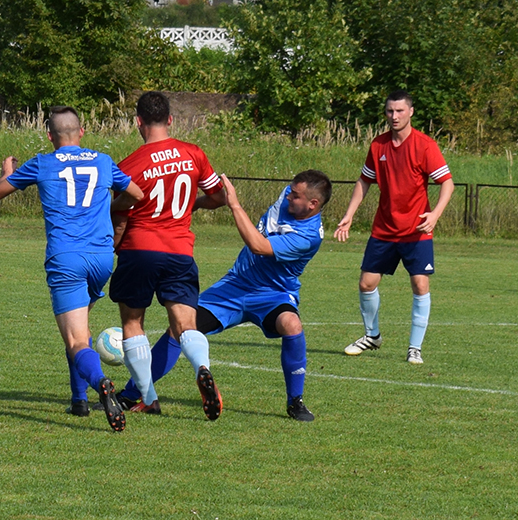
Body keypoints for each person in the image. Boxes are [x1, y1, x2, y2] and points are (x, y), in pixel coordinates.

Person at [116, 171, 331, 422]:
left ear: (312, 204)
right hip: (234, 286)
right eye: (291, 191)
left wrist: (235, 205)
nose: (288, 197)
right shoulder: (290, 195)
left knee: (291, 324)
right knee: (178, 329)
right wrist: (196, 202)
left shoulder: (309, 236)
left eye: (296, 196)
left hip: (273, 294)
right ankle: (131, 394)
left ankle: (295, 401)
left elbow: (258, 246)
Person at [0, 106, 143, 432]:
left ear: (49, 136)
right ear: (81, 132)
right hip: (101, 258)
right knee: (80, 329)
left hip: (67, 258)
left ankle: (100, 384)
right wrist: (108, 211)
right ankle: (78, 400)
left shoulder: (42, 163)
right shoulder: (102, 160)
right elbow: (136, 194)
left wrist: (6, 171)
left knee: (76, 340)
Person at [107, 91, 227, 419]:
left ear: (138, 122)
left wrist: (114, 247)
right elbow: (219, 197)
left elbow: (121, 217)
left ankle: (148, 397)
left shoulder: (129, 165)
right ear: (171, 119)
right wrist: (192, 205)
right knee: (186, 324)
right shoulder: (193, 154)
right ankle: (202, 367)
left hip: (140, 249)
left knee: (133, 322)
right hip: (179, 251)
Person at [333, 90, 454, 364]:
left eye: (400, 111)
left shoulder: (425, 145)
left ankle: (414, 348)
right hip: (384, 230)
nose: (394, 116)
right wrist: (349, 215)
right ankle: (372, 336)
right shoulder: (378, 145)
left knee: (420, 285)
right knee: (366, 283)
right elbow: (364, 181)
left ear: (410, 112)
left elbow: (447, 183)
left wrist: (435, 214)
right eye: (390, 111)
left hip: (416, 231)